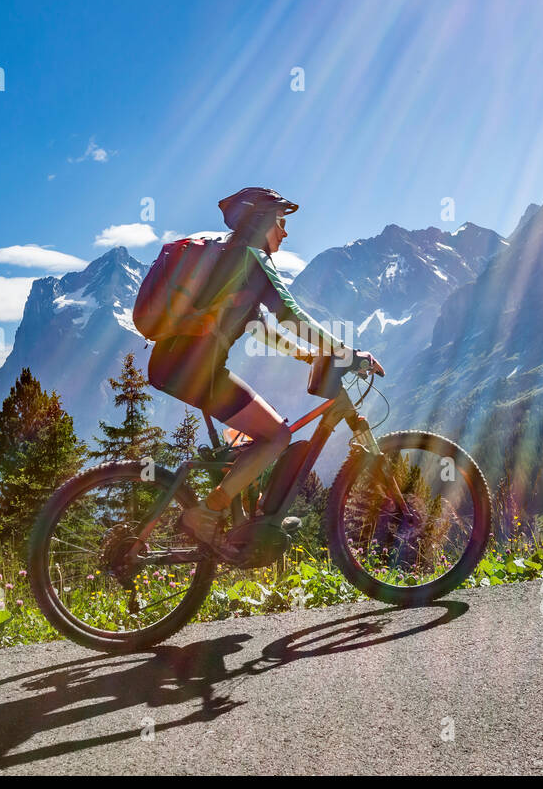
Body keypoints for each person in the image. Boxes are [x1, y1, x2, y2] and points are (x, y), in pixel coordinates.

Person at [147, 187, 383, 550]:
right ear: (261, 222)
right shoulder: (250, 260)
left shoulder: (231, 263)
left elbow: (264, 327)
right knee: (276, 436)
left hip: (177, 368)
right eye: (280, 222)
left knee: (264, 435)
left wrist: (308, 355)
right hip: (196, 374)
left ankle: (245, 509)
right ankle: (206, 513)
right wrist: (347, 352)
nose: (285, 232)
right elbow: (291, 316)